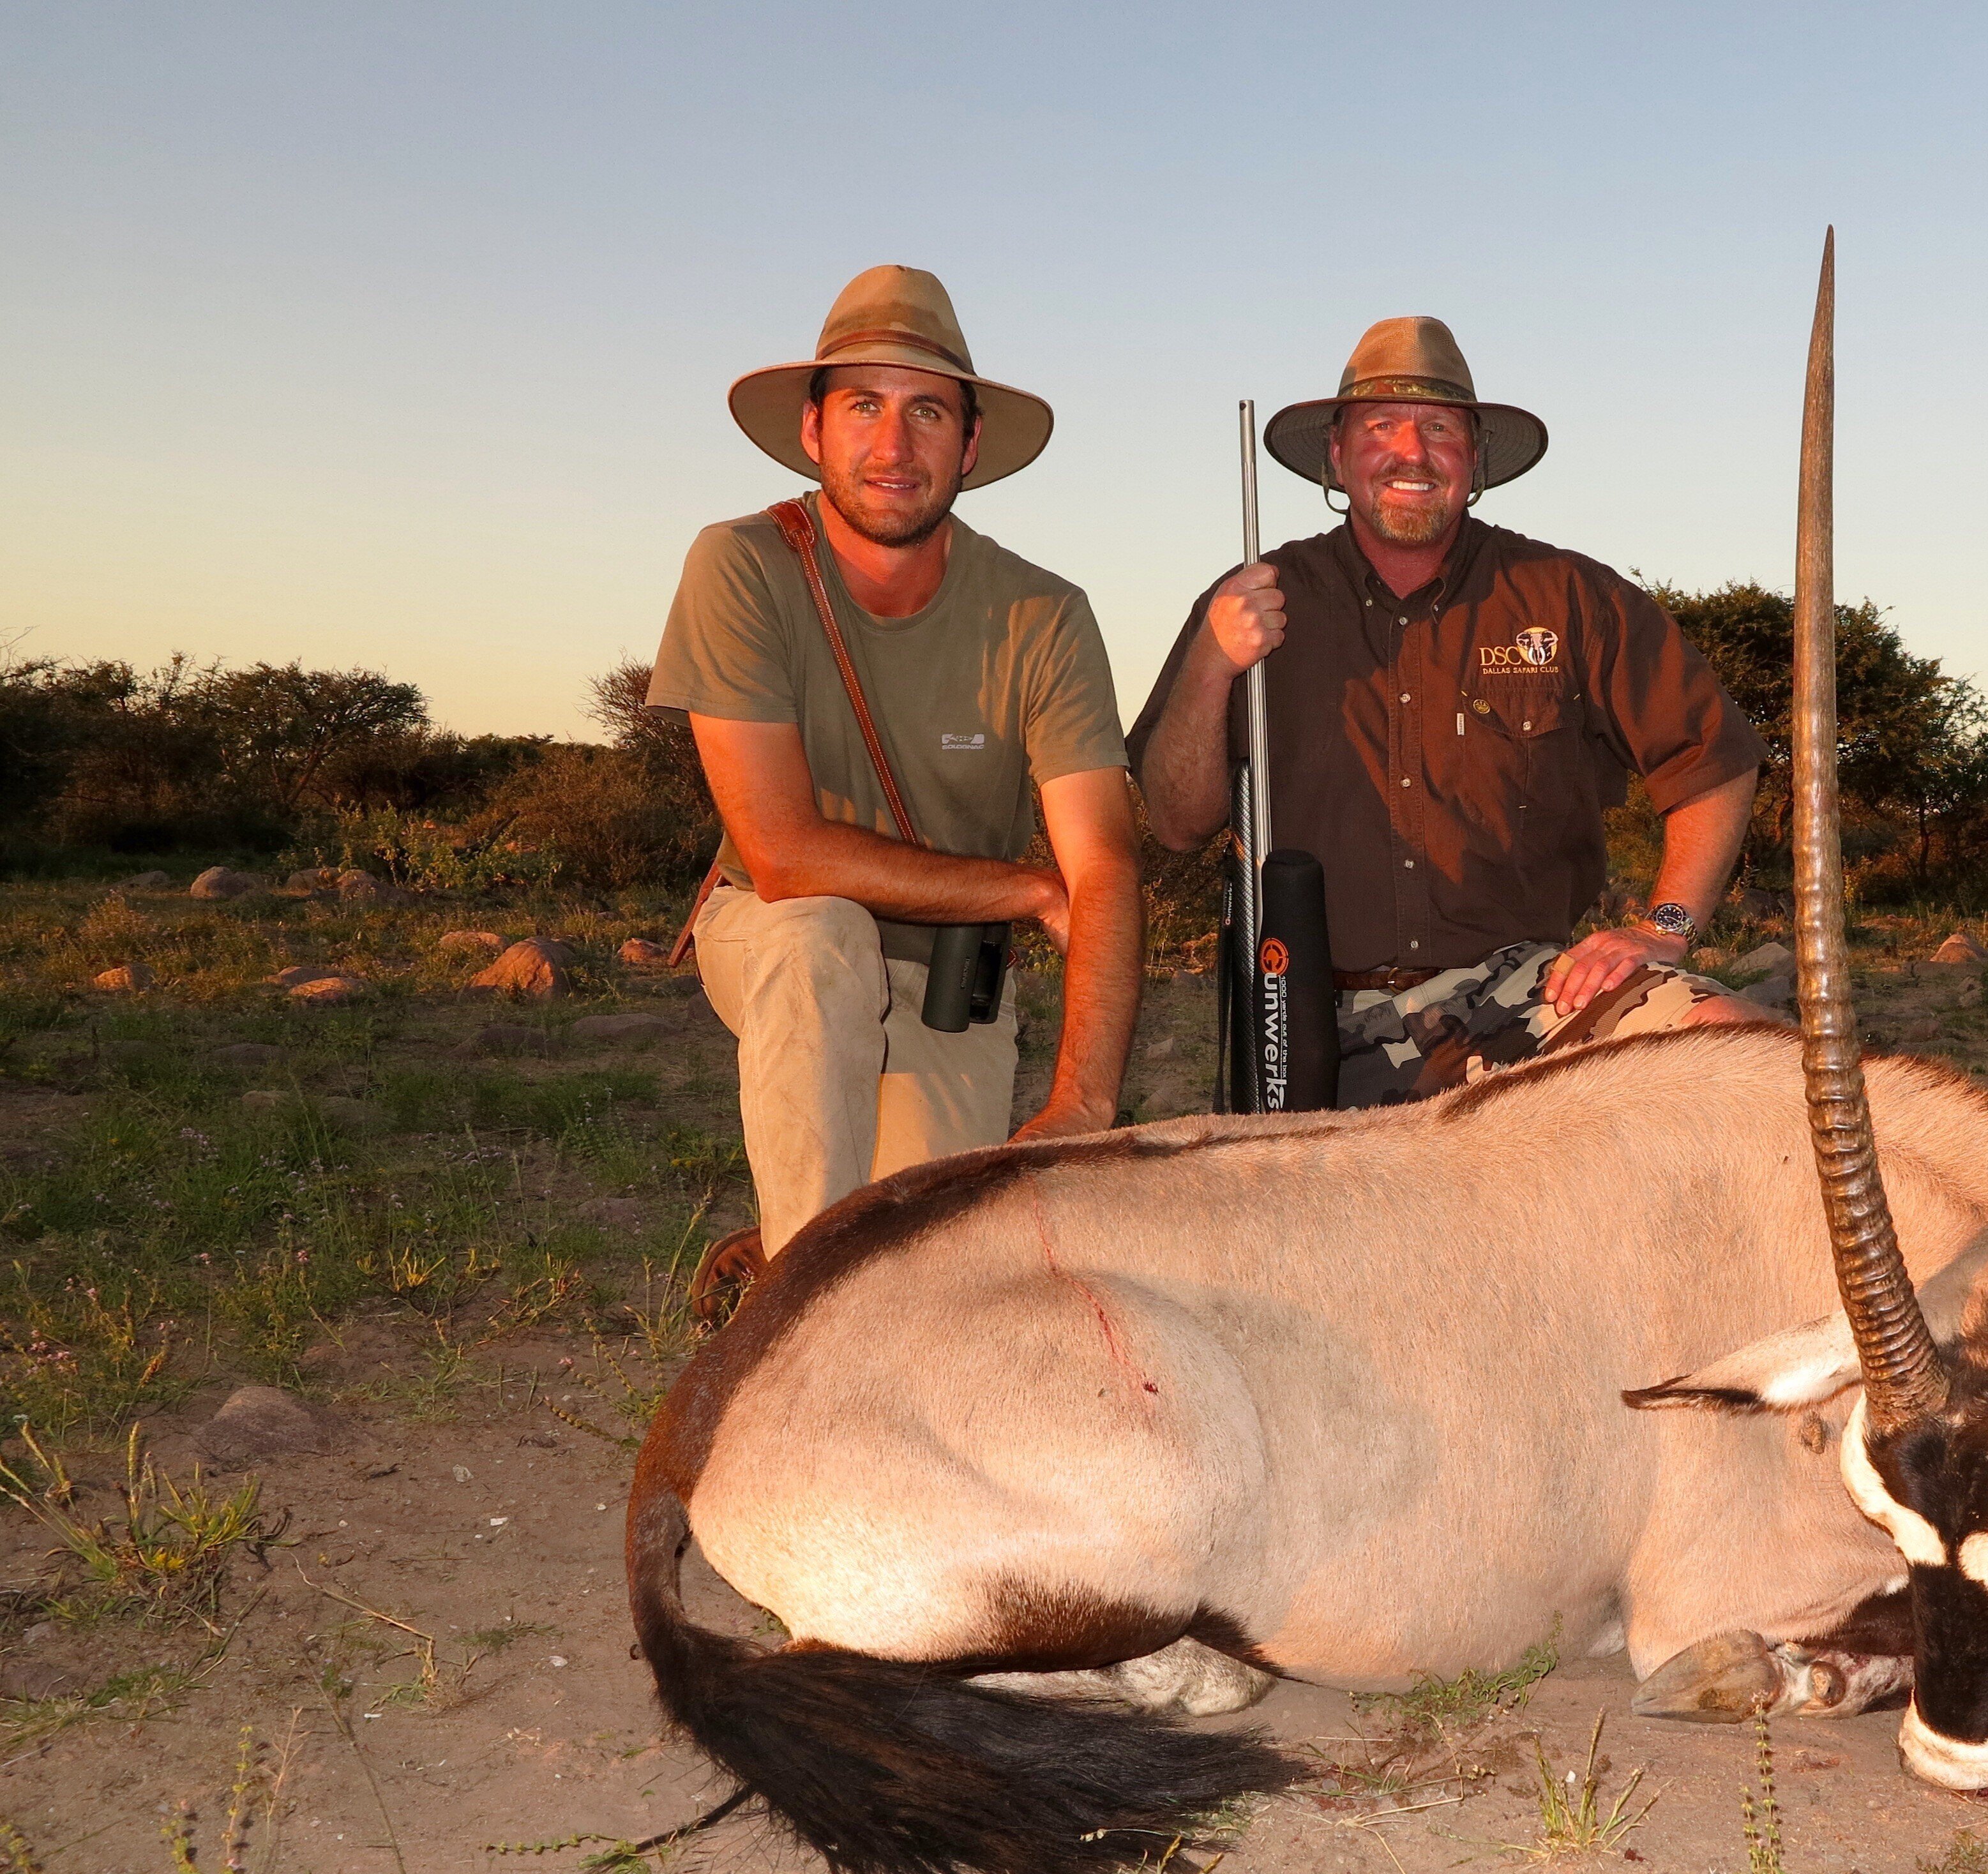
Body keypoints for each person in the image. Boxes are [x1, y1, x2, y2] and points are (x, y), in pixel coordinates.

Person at [1131, 316, 1772, 1109]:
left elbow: (1713, 763)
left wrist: (1662, 928)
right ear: (1336, 454)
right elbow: (1174, 820)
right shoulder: (1249, 598)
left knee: (1753, 1057)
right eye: (1380, 427)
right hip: (1300, 1017)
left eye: (1438, 428)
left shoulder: (1571, 594)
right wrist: (1209, 664)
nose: (1410, 453)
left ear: (1474, 458)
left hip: (1526, 998)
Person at [649, 265, 1140, 1293]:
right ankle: (790, 1313)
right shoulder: (740, 564)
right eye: (864, 406)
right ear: (815, 432)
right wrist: (1029, 889)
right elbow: (781, 855)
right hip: (776, 937)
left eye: (927, 412)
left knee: (931, 1277)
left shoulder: (1046, 614)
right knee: (819, 935)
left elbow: (1107, 859)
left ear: (967, 445)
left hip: (947, 979)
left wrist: (1082, 1107)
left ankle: (809, 1229)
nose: (894, 444)